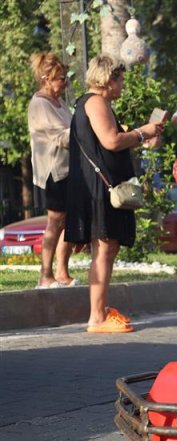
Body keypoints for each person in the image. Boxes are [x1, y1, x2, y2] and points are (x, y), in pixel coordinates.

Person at [64, 55, 163, 333]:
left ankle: (102, 309)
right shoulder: (95, 102)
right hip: (98, 187)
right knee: (104, 249)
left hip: (101, 184)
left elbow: (112, 143)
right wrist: (141, 133)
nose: (122, 86)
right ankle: (96, 317)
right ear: (109, 79)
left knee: (107, 248)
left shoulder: (99, 103)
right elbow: (111, 140)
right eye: (119, 80)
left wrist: (142, 136)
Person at [28, 52, 74, 289]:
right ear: (46, 78)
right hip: (53, 171)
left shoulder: (59, 102)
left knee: (67, 222)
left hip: (68, 170)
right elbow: (61, 137)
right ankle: (45, 275)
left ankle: (62, 272)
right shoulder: (40, 104)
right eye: (60, 78)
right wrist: (85, 130)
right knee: (55, 222)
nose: (64, 82)